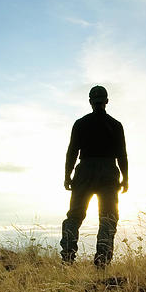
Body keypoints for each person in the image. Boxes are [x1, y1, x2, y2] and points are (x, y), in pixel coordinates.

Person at [60, 85, 128, 267]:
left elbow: (72, 152)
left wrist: (68, 176)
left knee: (74, 216)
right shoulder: (115, 125)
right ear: (106, 101)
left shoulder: (80, 124)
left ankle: (67, 257)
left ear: (90, 102)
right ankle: (102, 262)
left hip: (85, 172)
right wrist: (125, 178)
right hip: (108, 172)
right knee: (108, 217)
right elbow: (122, 154)